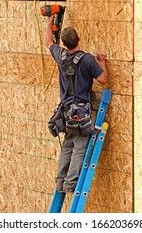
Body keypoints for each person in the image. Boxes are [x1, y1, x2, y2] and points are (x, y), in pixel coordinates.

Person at [45, 15, 108, 193]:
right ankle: (70, 183)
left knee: (68, 146)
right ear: (78, 39)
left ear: (64, 43)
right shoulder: (87, 60)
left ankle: (60, 182)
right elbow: (103, 79)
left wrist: (49, 22)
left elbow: (49, 42)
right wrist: (101, 61)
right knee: (79, 146)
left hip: (66, 111)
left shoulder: (60, 55)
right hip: (81, 112)